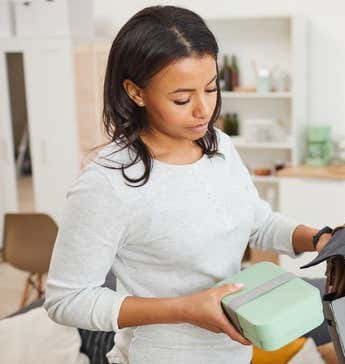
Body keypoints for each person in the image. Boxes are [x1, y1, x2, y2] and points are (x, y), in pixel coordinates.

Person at [44, 6, 330, 363]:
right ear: (135, 92)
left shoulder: (219, 147)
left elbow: (257, 223)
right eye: (182, 99)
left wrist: (319, 239)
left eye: (210, 89)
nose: (203, 110)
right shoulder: (106, 183)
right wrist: (183, 309)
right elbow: (66, 300)